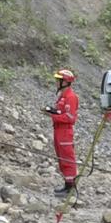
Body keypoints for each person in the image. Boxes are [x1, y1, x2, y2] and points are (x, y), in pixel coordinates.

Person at [42, 68, 78, 196]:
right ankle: (66, 184)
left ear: (65, 82)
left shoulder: (70, 97)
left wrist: (52, 116)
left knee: (67, 158)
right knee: (61, 158)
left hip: (65, 132)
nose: (56, 82)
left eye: (59, 80)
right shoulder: (62, 96)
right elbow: (61, 112)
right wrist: (52, 111)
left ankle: (71, 187)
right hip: (58, 130)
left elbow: (70, 117)